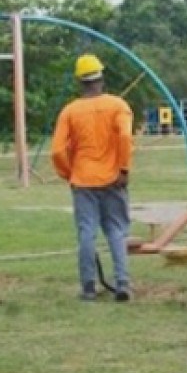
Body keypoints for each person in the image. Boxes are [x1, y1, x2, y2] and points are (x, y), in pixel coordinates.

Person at [52, 53, 135, 302]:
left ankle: (88, 288)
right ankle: (122, 283)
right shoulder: (118, 106)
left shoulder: (70, 111)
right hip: (113, 180)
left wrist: (70, 173)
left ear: (80, 82)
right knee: (117, 231)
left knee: (87, 233)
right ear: (101, 78)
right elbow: (125, 137)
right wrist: (123, 169)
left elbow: (57, 150)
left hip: (83, 181)